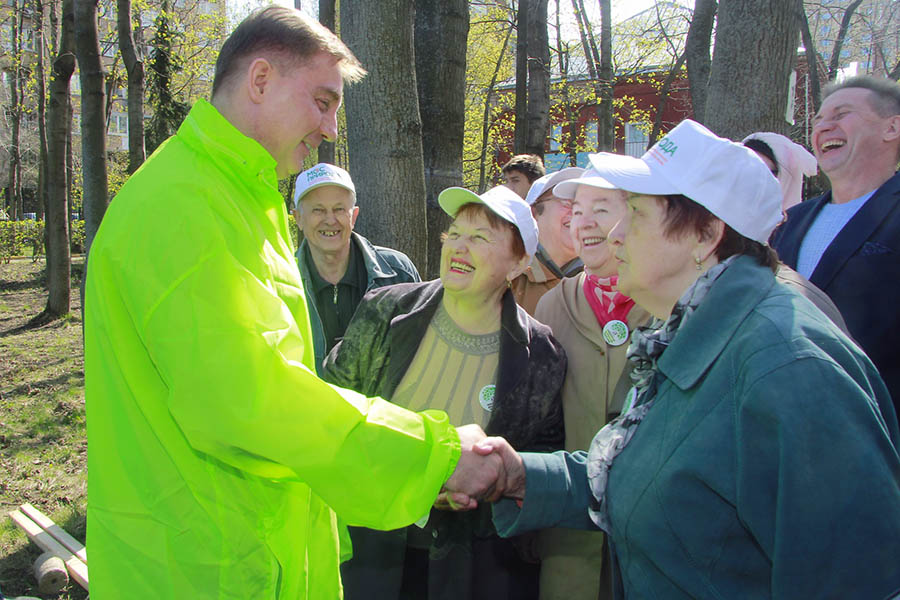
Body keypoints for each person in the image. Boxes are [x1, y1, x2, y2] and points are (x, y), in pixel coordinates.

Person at [83, 7, 502, 598]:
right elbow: (248, 401)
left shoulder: (235, 197)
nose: (332, 128)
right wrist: (430, 455)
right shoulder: (183, 206)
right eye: (323, 101)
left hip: (247, 551)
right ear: (260, 80)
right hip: (201, 568)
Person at [461, 119, 900, 598]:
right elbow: (649, 474)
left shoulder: (792, 369)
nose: (614, 235)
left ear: (706, 234)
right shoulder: (688, 331)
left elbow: (855, 579)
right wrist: (515, 472)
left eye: (637, 215)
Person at [322, 185, 566, 600]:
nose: (459, 247)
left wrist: (488, 487)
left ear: (519, 261)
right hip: (367, 547)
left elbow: (539, 457)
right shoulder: (386, 311)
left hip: (470, 566)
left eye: (480, 238)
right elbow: (330, 403)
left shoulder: (541, 355)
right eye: (454, 233)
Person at [532, 167, 651, 600]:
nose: (584, 223)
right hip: (569, 540)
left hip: (649, 539)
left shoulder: (669, 301)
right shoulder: (551, 305)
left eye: (601, 209)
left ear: (638, 214)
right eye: (576, 211)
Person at [772, 75, 900, 412]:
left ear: (892, 128)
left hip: (878, 427)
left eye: (841, 115)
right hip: (788, 417)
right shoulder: (790, 221)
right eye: (819, 119)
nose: (824, 127)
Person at [292, 162, 420, 371]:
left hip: (382, 404)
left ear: (354, 216)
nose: (330, 220)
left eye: (339, 209)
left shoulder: (399, 273)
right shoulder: (282, 282)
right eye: (318, 210)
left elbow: (419, 353)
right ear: (298, 218)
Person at [741, 135, 850, 334]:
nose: (757, 180)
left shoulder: (802, 232)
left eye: (769, 172)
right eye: (748, 168)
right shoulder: (718, 224)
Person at [511, 167, 585, 315]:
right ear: (534, 213)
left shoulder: (610, 278)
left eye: (582, 203)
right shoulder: (510, 278)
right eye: (567, 203)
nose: (578, 211)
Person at [742, 132, 817, 211]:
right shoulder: (730, 217)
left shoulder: (804, 221)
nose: (757, 182)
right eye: (749, 171)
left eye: (770, 174)